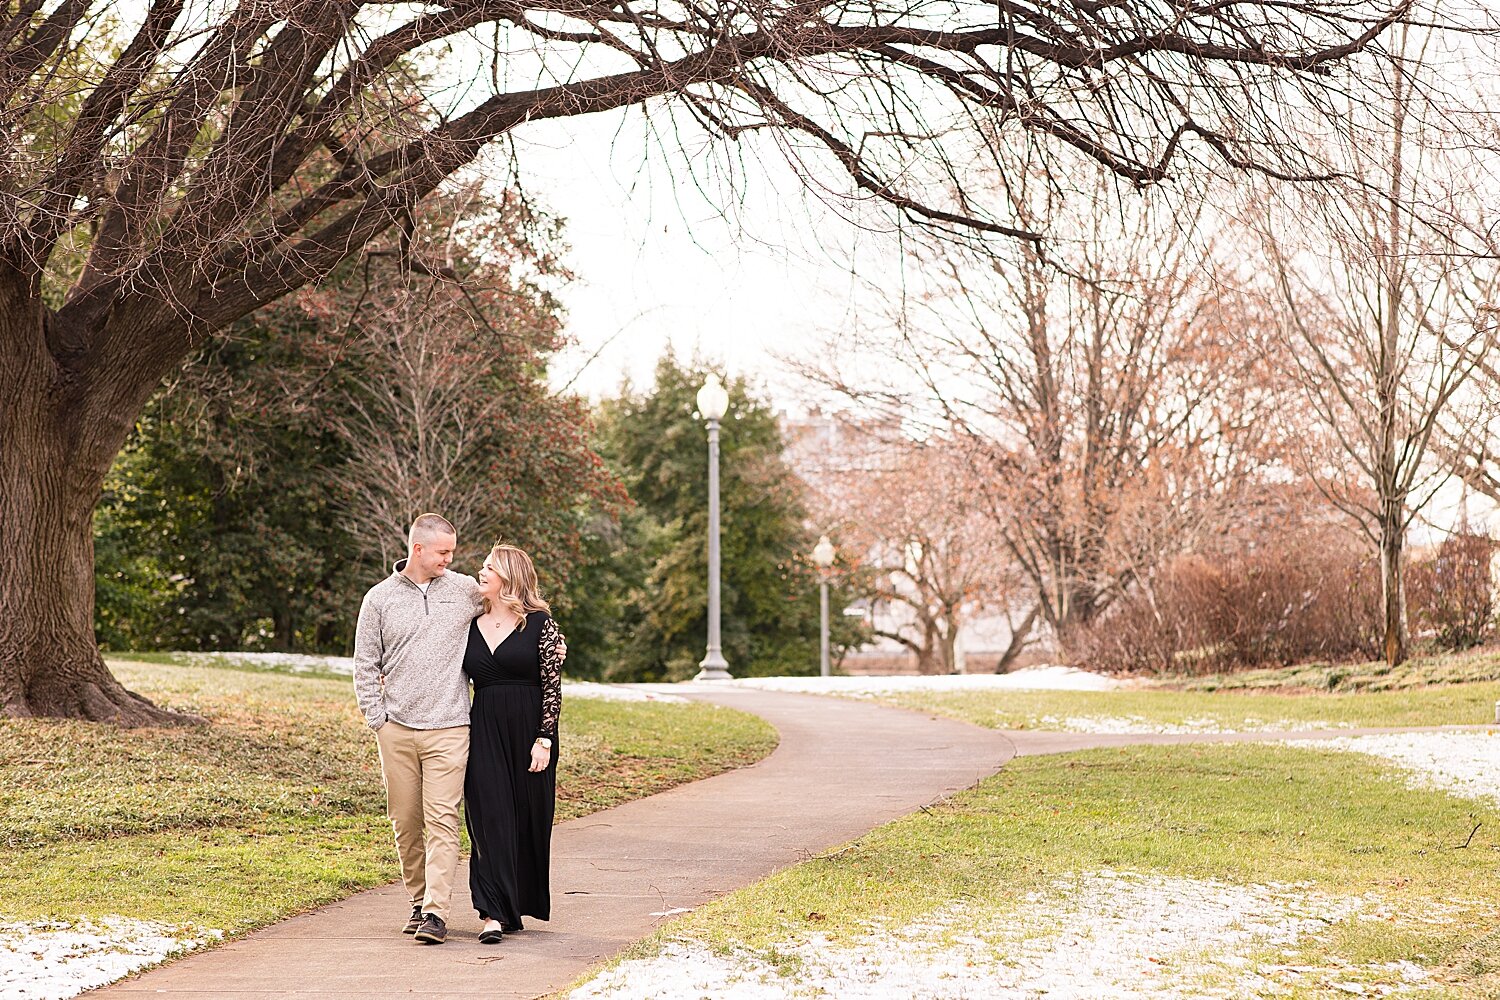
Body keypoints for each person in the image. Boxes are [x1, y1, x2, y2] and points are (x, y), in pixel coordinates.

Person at [353, 513, 483, 946]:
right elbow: (365, 664)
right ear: (418, 549)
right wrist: (378, 720)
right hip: (397, 730)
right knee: (406, 821)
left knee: (443, 820)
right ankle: (418, 898)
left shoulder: (465, 589)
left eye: (452, 551)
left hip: (450, 726)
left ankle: (436, 913)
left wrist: (547, 637)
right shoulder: (379, 599)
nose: (450, 558)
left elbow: (509, 604)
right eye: (443, 552)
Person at [464, 543, 564, 945]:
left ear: (508, 576)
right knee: (488, 818)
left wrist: (545, 740)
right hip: (483, 727)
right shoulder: (469, 621)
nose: (481, 572)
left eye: (489, 567)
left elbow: (553, 687)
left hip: (529, 730)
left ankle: (512, 907)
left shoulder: (541, 624)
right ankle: (491, 913)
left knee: (525, 818)